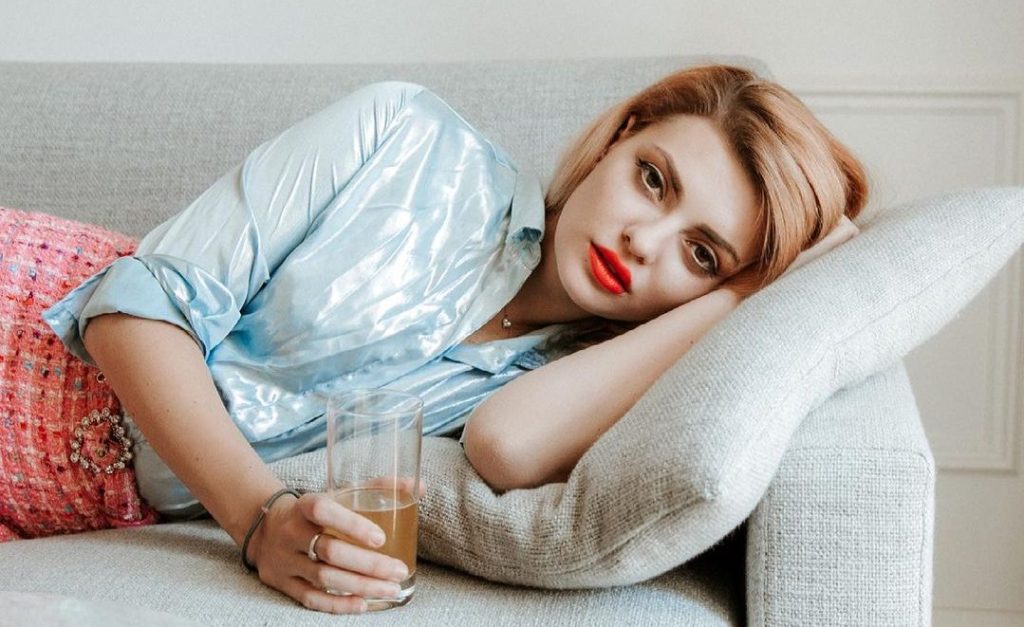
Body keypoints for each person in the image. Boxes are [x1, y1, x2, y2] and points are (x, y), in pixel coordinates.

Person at [36, 64, 864, 614]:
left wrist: (739, 298)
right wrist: (260, 519)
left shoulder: (588, 384)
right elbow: (133, 306)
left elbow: (505, 444)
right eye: (653, 179)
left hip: (64, 514)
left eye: (701, 252)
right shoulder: (405, 134)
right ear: (621, 134)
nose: (643, 241)